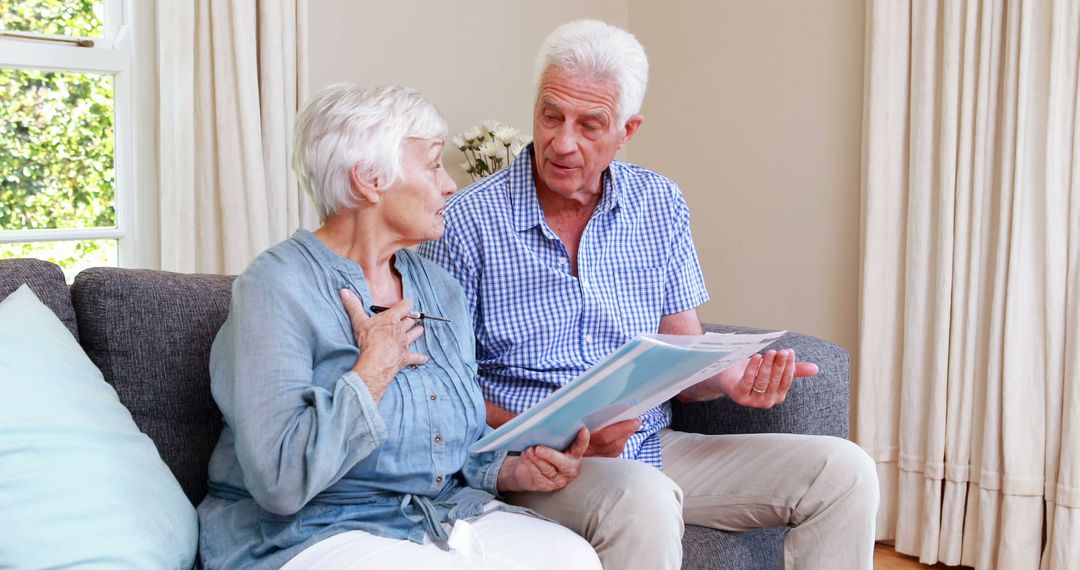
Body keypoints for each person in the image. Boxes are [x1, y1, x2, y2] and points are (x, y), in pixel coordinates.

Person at [417, 19, 879, 570]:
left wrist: (734, 379)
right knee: (644, 497)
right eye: (551, 115)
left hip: (651, 447)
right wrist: (551, 433)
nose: (563, 142)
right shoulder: (466, 221)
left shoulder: (658, 203)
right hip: (535, 466)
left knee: (844, 471)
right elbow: (440, 387)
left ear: (627, 130)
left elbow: (682, 353)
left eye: (591, 125)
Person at [196, 83, 601, 569]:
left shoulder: (438, 287)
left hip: (436, 517)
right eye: (432, 165)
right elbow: (280, 482)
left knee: (571, 558)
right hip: (310, 531)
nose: (450, 183)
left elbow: (455, 445)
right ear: (368, 179)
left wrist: (516, 471)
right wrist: (372, 372)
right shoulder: (275, 287)